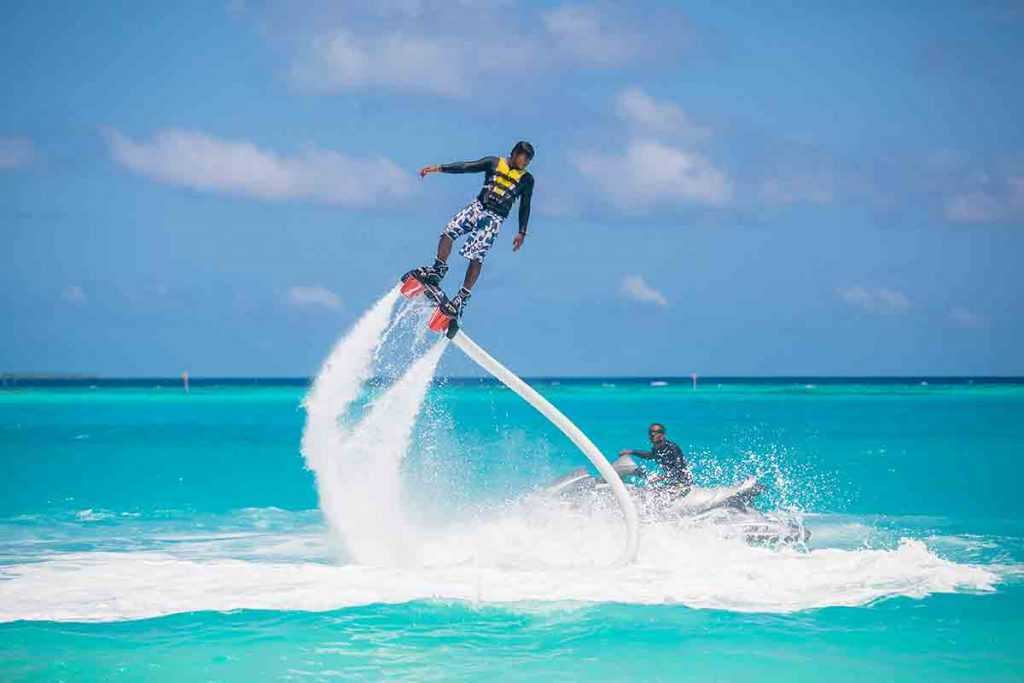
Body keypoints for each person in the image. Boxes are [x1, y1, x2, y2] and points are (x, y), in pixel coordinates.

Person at [405, 141, 536, 319]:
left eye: (528, 162)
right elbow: (466, 167)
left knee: (476, 257)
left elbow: (525, 206)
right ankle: (438, 270)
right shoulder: (494, 162)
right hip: (477, 207)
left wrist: (522, 231)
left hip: (493, 219)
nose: (525, 164)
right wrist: (438, 168)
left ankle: (462, 298)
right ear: (514, 153)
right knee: (449, 231)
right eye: (524, 159)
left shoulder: (527, 180)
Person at [619, 423, 693, 493]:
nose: (652, 434)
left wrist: (661, 478)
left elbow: (679, 468)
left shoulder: (672, 448)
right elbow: (650, 456)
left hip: (683, 483)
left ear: (662, 435)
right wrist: (632, 452)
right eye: (650, 432)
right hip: (672, 481)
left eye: (656, 432)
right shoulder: (657, 448)